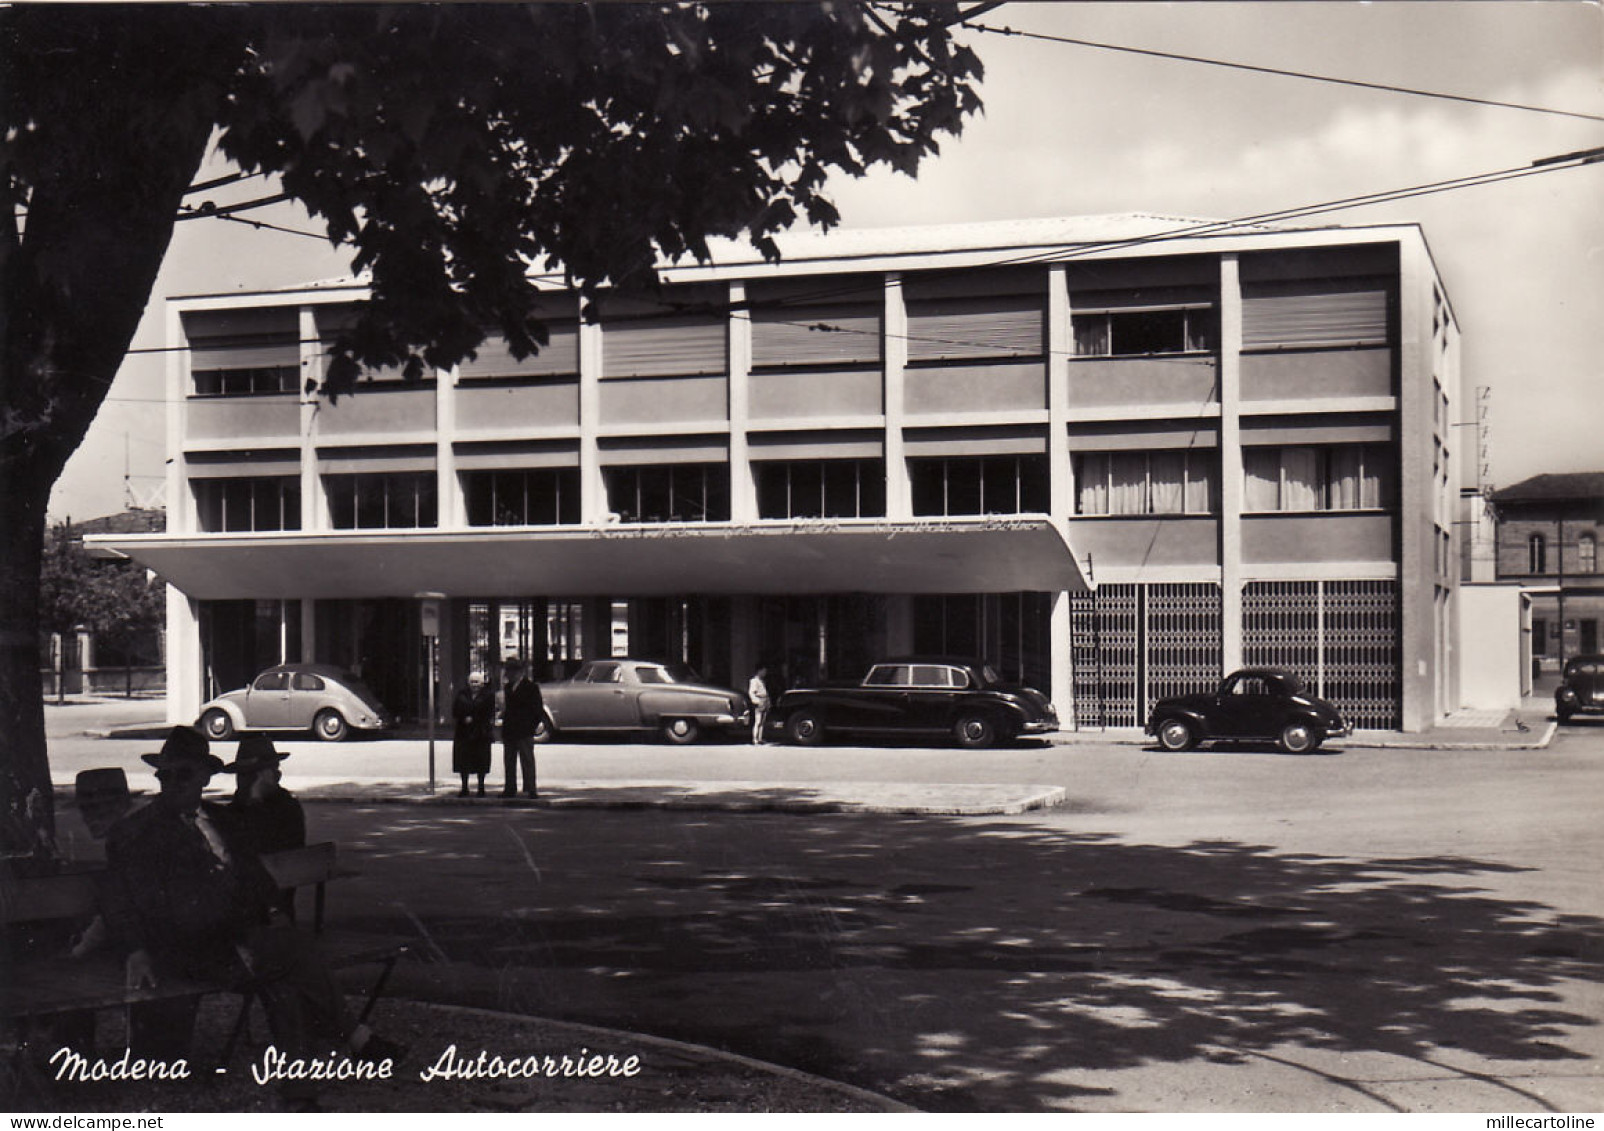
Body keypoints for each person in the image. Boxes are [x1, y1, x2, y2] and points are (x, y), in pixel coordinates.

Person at [100, 726, 401, 1073]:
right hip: (188, 948)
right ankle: (350, 1044)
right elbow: (119, 898)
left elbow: (258, 871)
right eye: (165, 775)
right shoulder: (138, 833)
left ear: (204, 776)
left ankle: (304, 1081)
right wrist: (135, 951)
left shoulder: (222, 819)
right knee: (291, 958)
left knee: (285, 963)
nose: (172, 783)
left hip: (239, 940)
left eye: (184, 774)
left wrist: (272, 912)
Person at [224, 734, 306, 855]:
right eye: (242, 774)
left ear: (275, 776)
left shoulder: (287, 809)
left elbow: (264, 846)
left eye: (255, 774)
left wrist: (255, 799)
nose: (247, 781)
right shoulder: (231, 811)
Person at [500, 659, 543, 799]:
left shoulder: (531, 687)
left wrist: (531, 726)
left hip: (524, 729)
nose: (509, 674)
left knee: (527, 760)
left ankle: (531, 788)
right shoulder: (507, 688)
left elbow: (537, 709)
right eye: (508, 671)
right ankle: (510, 788)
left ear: (519, 672)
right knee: (509, 760)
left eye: (511, 671)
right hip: (510, 729)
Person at [452, 672, 495, 797]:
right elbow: (455, 710)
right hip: (463, 732)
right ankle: (464, 787)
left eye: (477, 682)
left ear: (482, 683)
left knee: (481, 760)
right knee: (463, 760)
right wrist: (463, 717)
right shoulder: (461, 694)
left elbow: (489, 712)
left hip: (481, 732)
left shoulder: (488, 695)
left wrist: (475, 719)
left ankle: (481, 788)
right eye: (472, 682)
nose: (474, 685)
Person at [747, 665, 772, 745]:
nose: (765, 673)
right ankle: (755, 739)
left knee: (762, 722)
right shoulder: (754, 681)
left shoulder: (762, 681)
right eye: (763, 671)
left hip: (765, 700)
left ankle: (760, 738)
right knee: (757, 721)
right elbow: (751, 692)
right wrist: (755, 700)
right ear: (759, 671)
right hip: (759, 700)